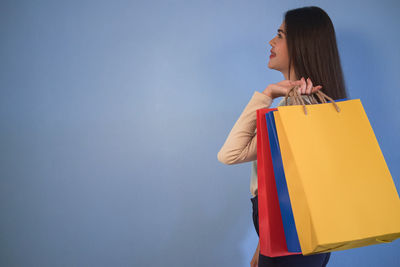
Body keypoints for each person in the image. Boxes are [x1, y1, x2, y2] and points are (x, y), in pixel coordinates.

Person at [217, 6, 348, 267]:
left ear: (302, 43)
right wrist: (262, 247)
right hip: (285, 238)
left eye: (280, 35)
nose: (271, 41)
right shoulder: (291, 109)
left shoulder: (301, 111)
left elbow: (230, 154)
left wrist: (266, 94)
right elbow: (284, 191)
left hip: (294, 242)